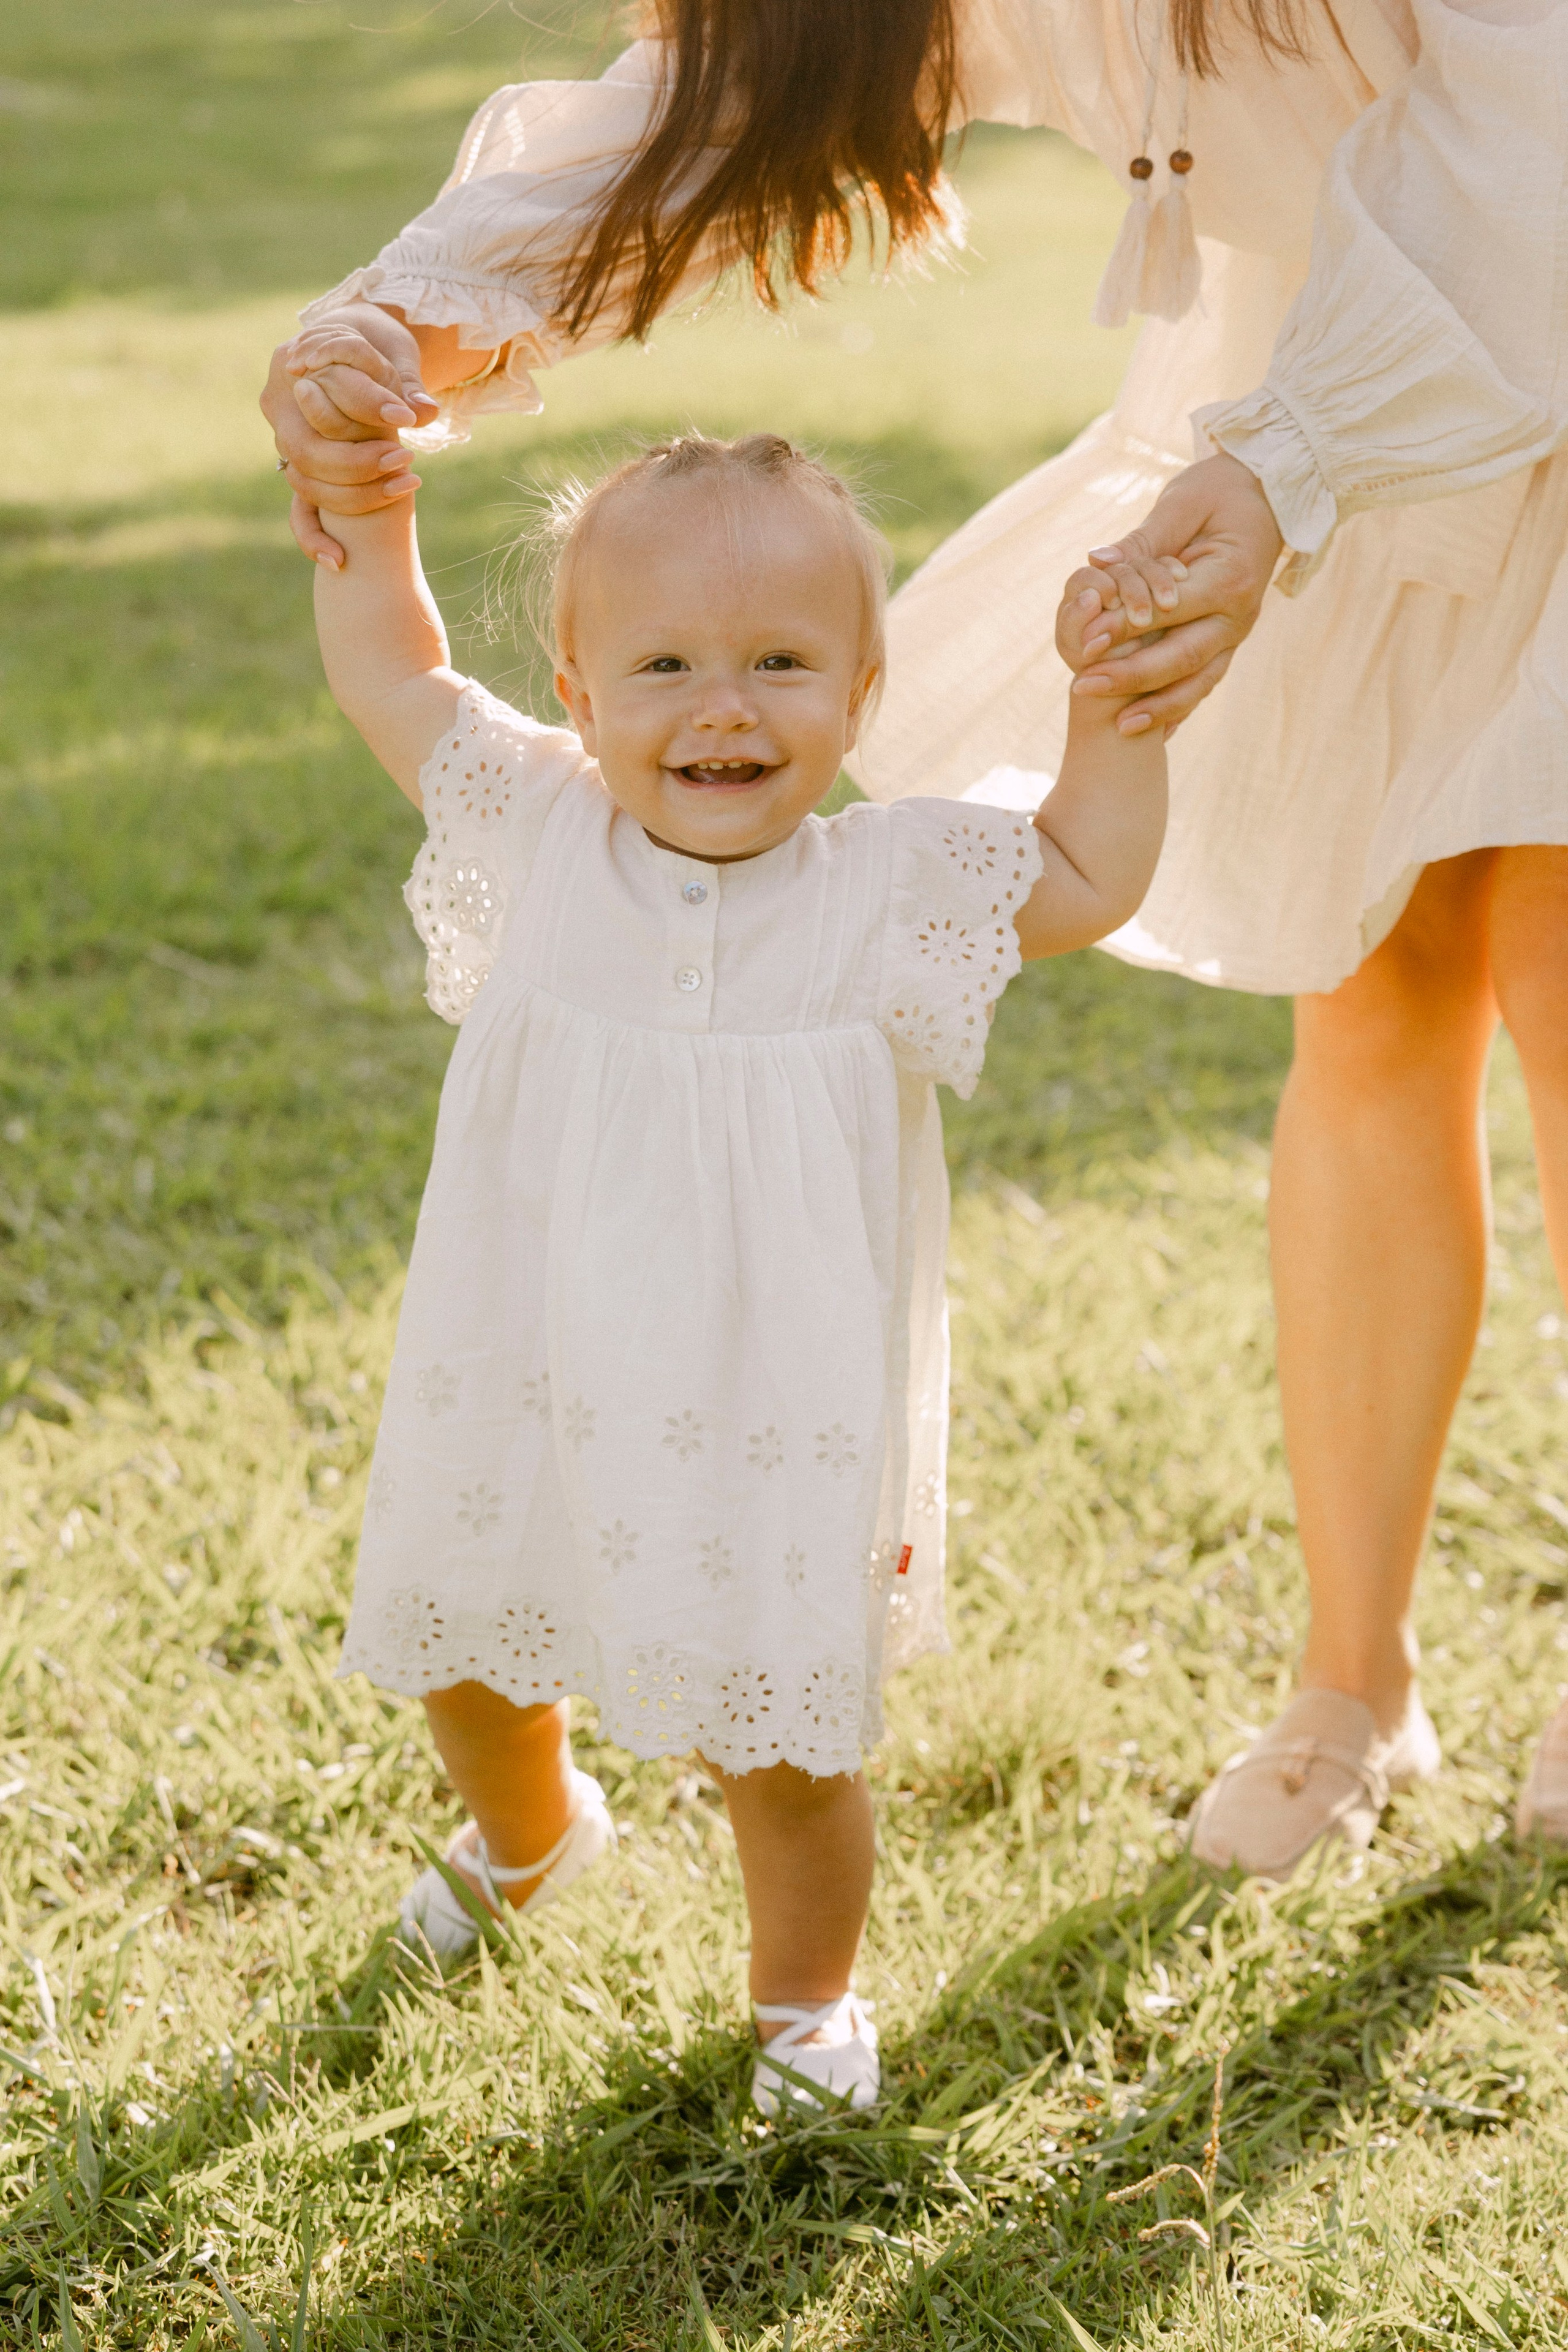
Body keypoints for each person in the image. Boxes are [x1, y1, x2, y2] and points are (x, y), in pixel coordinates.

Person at [263, 0, 1568, 1882]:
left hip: (1483, 313)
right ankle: (1351, 1683)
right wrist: (395, 316)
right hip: (1320, 412)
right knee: (1368, 997)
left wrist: (1291, 455)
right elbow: (732, 96)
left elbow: (1535, 120)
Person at [310, 423, 1168, 2109]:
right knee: (469, 1653)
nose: (725, 707)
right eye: (666, 665)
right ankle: (533, 1834)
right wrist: (366, 508)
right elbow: (395, 670)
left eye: (782, 662)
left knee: (780, 1730)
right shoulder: (537, 831)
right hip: (536, 1353)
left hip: (774, 1397)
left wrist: (1111, 714)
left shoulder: (888, 888)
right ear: (576, 689)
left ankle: (803, 2006)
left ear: (860, 693)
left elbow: (1084, 871)